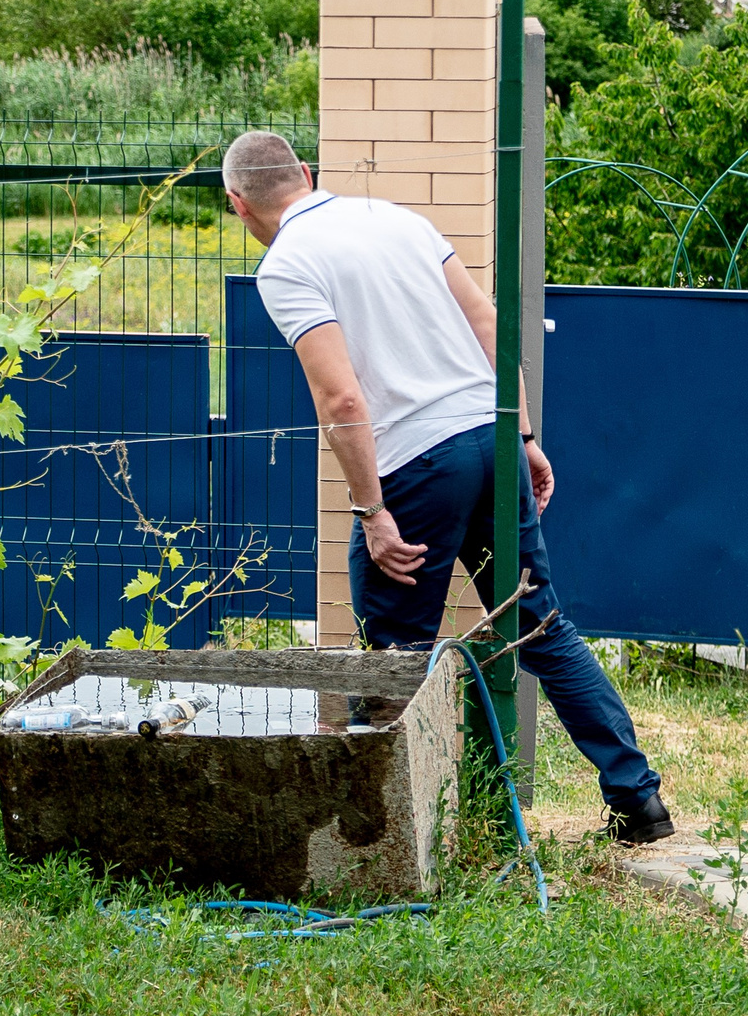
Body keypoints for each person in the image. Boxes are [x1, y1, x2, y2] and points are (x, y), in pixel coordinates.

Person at [222, 129, 673, 843]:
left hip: (418, 465)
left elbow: (341, 402)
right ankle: (637, 799)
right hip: (488, 438)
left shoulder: (286, 265)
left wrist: (373, 511)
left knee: (396, 654)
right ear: (308, 172)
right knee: (540, 625)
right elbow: (488, 322)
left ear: (236, 204)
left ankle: (384, 832)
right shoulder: (398, 219)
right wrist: (521, 435)